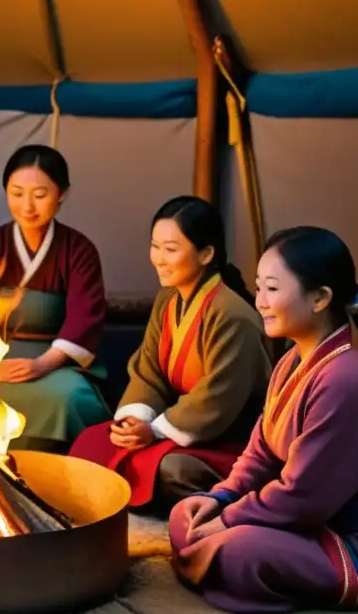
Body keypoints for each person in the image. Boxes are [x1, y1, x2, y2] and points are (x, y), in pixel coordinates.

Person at [169, 226, 358, 614]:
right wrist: (220, 498)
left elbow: (302, 497)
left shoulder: (345, 379)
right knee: (187, 514)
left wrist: (228, 520)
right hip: (302, 522)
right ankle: (216, 549)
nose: (260, 301)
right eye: (258, 287)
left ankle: (223, 557)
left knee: (237, 551)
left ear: (319, 298)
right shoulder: (291, 361)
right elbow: (260, 453)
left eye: (272, 288)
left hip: (356, 546)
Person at [69, 196, 272, 511]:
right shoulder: (168, 300)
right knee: (91, 442)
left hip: (225, 437)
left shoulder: (232, 314)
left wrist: (154, 431)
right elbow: (148, 371)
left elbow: (218, 397)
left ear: (206, 254)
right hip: (175, 427)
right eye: (155, 246)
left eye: (171, 249)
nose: (159, 259)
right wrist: (135, 421)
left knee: (172, 471)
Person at [0, 144, 110, 452]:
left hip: (56, 360)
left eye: (40, 194)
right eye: (16, 192)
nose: (27, 206)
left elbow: (83, 317)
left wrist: (42, 365)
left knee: (73, 399)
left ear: (61, 193)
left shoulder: (79, 250)